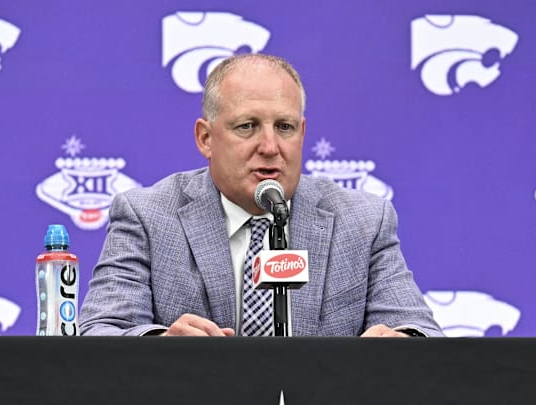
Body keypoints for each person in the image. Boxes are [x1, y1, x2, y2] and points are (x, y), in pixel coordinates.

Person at [79, 53, 443, 337]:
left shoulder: (363, 222)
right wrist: (161, 342)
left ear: (302, 133)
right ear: (206, 138)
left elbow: (421, 334)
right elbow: (99, 332)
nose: (270, 147)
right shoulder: (147, 216)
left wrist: (402, 342)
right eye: (247, 126)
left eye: (284, 127)